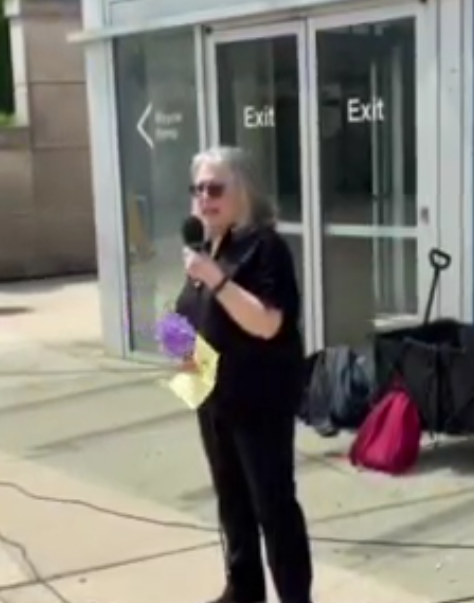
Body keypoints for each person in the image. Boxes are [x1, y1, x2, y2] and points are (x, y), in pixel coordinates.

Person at [173, 146, 313, 603]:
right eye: (197, 189)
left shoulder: (264, 248)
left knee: (272, 508)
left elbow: (269, 322)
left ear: (244, 192)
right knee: (232, 506)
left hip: (259, 400)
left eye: (215, 188)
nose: (203, 199)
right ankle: (244, 590)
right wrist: (182, 358)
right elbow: (192, 316)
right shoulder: (204, 249)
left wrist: (215, 279)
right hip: (213, 400)